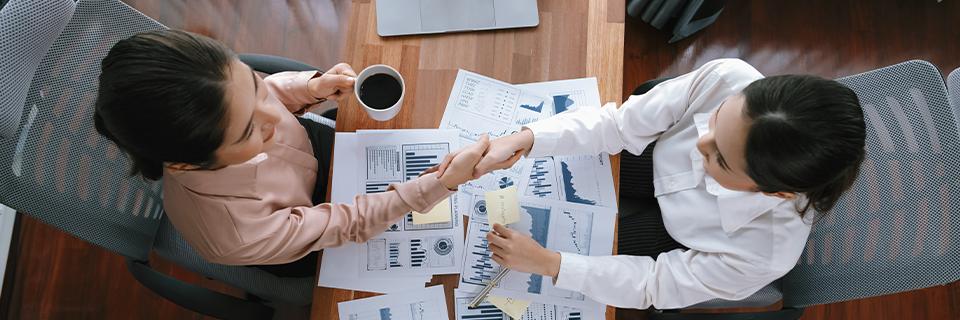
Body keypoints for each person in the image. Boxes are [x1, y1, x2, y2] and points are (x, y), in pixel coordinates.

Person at [441, 59, 867, 308]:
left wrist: (551, 264)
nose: (700, 143)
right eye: (716, 120)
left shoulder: (764, 254)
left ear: (775, 193)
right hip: (649, 157)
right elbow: (618, 124)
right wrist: (523, 140)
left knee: (582, 248)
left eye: (720, 158)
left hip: (676, 236)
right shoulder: (729, 77)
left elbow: (652, 284)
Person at [93, 30, 488, 277]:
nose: (273, 113)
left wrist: (310, 88)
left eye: (252, 84)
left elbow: (270, 91)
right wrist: (440, 184)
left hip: (308, 161)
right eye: (249, 128)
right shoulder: (233, 232)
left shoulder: (228, 108)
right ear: (183, 163)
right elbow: (344, 224)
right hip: (297, 236)